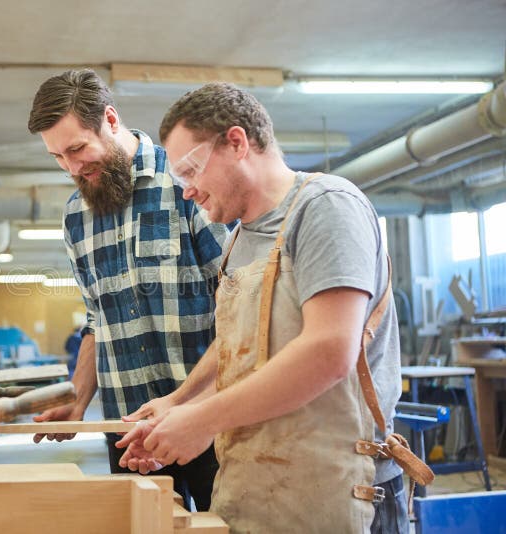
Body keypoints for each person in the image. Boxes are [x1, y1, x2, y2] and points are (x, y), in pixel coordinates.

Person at [115, 83, 431, 533]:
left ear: (237, 143)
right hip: (256, 490)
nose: (187, 191)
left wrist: (200, 419)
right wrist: (179, 407)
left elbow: (329, 352)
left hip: (337, 493)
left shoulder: (325, 208)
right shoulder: (238, 240)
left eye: (191, 171)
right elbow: (240, 348)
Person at [27, 69, 233, 511]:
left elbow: (241, 306)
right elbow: (96, 319)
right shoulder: (75, 216)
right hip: (128, 433)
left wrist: (196, 408)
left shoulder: (185, 184)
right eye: (58, 157)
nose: (72, 168)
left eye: (77, 149)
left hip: (209, 422)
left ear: (110, 119)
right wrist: (77, 398)